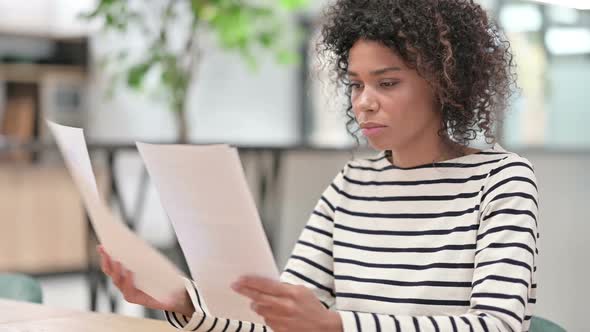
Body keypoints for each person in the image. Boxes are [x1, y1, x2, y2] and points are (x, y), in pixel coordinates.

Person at [98, 0, 538, 331]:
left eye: (387, 83)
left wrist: (336, 325)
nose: (364, 102)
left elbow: (496, 326)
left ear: (444, 84)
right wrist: (186, 304)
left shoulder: (500, 182)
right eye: (356, 85)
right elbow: (280, 319)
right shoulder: (352, 185)